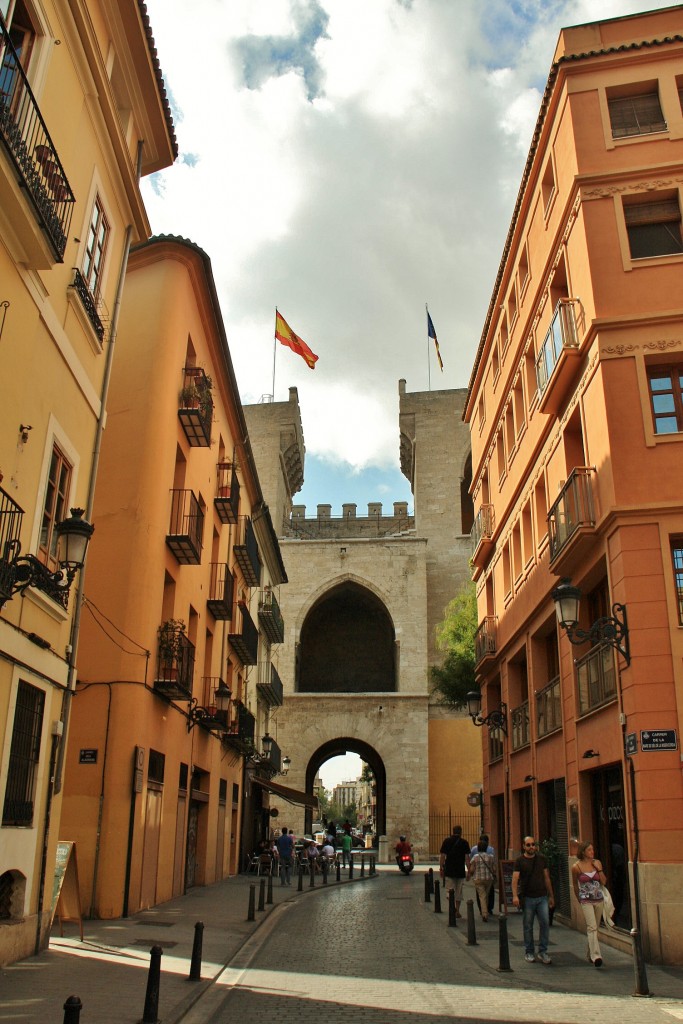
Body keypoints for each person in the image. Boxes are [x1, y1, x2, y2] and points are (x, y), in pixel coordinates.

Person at [512, 836, 555, 965]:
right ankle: (529, 951)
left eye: (533, 845)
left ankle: (543, 951)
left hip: (542, 897)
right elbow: (515, 879)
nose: (531, 847)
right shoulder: (519, 861)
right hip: (528, 898)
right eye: (529, 845)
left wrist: (551, 895)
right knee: (528, 925)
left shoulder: (541, 859)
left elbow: (546, 877)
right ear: (524, 846)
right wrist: (515, 896)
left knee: (545, 923)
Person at [572, 840, 607, 967]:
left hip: (598, 899)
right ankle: (596, 955)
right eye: (589, 850)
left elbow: (604, 881)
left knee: (595, 928)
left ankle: (589, 952)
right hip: (586, 900)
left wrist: (600, 869)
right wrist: (579, 899)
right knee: (591, 927)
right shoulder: (576, 867)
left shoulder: (596, 863)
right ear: (583, 852)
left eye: (592, 849)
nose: (592, 852)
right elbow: (575, 886)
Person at [439, 825, 470, 918]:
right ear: (461, 832)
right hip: (460, 870)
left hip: (449, 869)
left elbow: (443, 856)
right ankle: (457, 910)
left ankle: (452, 907)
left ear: (453, 831)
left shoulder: (446, 841)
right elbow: (467, 858)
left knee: (449, 890)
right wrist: (469, 871)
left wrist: (441, 868)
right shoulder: (464, 842)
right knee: (459, 891)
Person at [468, 838, 496, 921]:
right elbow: (494, 869)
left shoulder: (475, 857)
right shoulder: (491, 857)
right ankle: (486, 910)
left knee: (482, 896)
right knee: (485, 895)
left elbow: (472, 869)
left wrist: (471, 874)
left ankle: (484, 914)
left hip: (478, 879)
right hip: (488, 879)